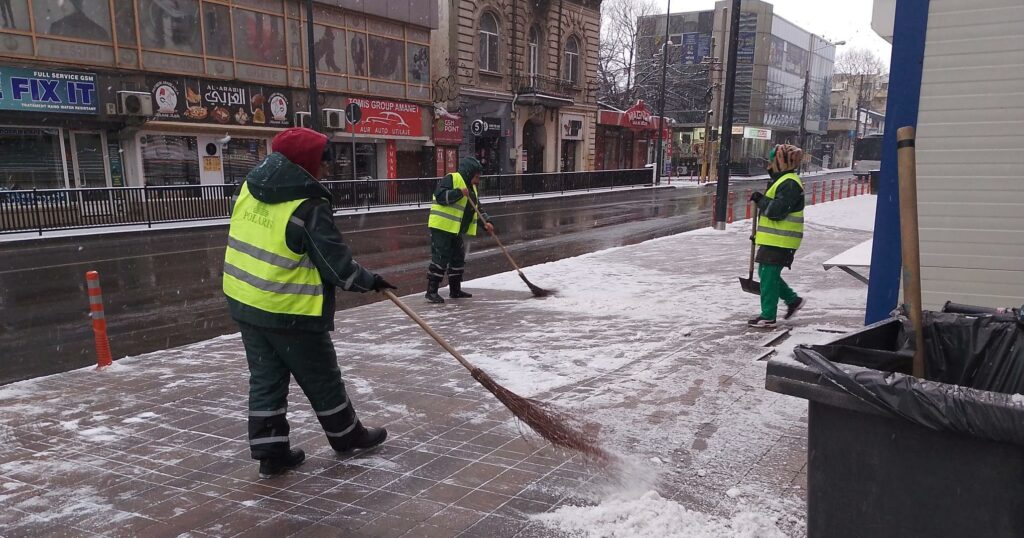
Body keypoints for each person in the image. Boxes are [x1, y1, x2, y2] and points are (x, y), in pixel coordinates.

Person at [223, 127, 395, 479]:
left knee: (266, 378)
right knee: (322, 376)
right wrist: (369, 281)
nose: (327, 170)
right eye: (323, 163)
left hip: (245, 300)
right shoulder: (307, 205)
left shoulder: (251, 188)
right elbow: (337, 268)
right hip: (289, 310)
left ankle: (271, 453)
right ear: (306, 163)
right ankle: (347, 436)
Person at [748, 143, 807, 328]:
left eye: (772, 159)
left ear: (782, 161)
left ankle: (768, 316)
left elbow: (776, 211)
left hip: (782, 240)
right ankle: (792, 300)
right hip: (774, 239)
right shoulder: (782, 180)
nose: (769, 164)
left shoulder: (789, 183)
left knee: (769, 275)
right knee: (765, 273)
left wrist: (760, 199)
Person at [425, 156, 494, 303]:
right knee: (441, 257)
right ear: (469, 173)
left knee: (457, 258)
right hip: (441, 226)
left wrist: (486, 222)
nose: (478, 180)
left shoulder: (472, 188)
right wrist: (458, 193)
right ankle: (431, 291)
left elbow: (476, 208)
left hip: (455, 229)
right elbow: (441, 197)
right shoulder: (451, 179)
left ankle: (455, 290)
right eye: (476, 176)